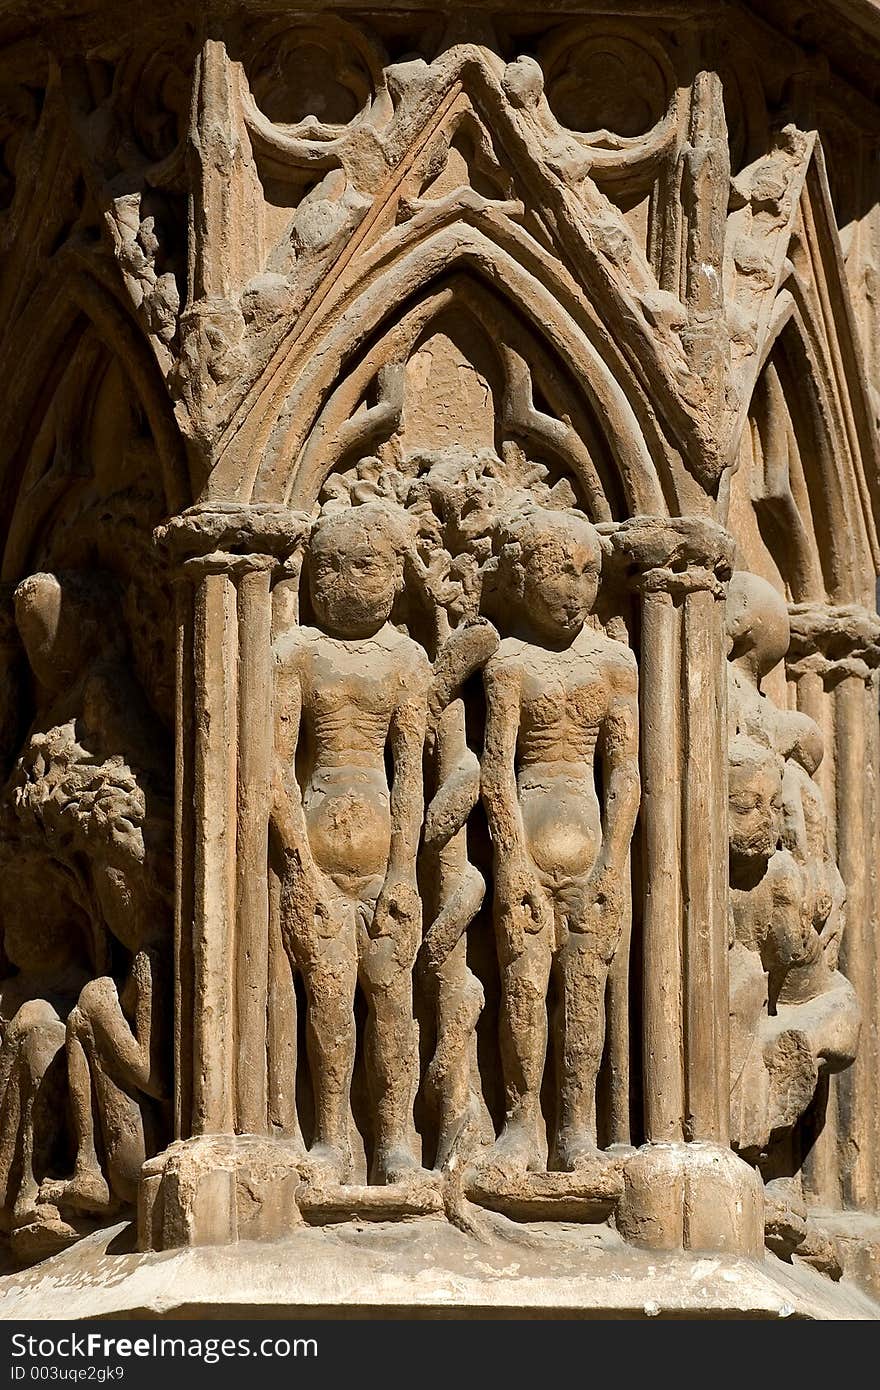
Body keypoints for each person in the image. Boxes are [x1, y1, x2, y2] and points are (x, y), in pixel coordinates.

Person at [272, 503, 430, 1184]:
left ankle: (395, 1139)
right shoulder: (297, 655)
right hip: (316, 859)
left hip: (384, 864)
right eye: (327, 566)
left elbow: (410, 776)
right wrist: (299, 868)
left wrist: (403, 874)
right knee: (329, 1006)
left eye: (365, 565)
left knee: (393, 1004)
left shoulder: (406, 661)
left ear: (398, 575)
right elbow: (276, 767)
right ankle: (332, 1136)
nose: (343, 582)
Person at [480, 507, 640, 1174]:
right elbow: (496, 769)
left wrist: (613, 863)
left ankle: (577, 1125)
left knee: (585, 996)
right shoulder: (509, 664)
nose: (573, 590)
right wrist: (512, 860)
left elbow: (626, 772)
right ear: (521, 579)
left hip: (595, 856)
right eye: (556, 572)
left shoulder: (615, 665)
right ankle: (523, 1122)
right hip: (528, 848)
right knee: (523, 988)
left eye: (587, 574)